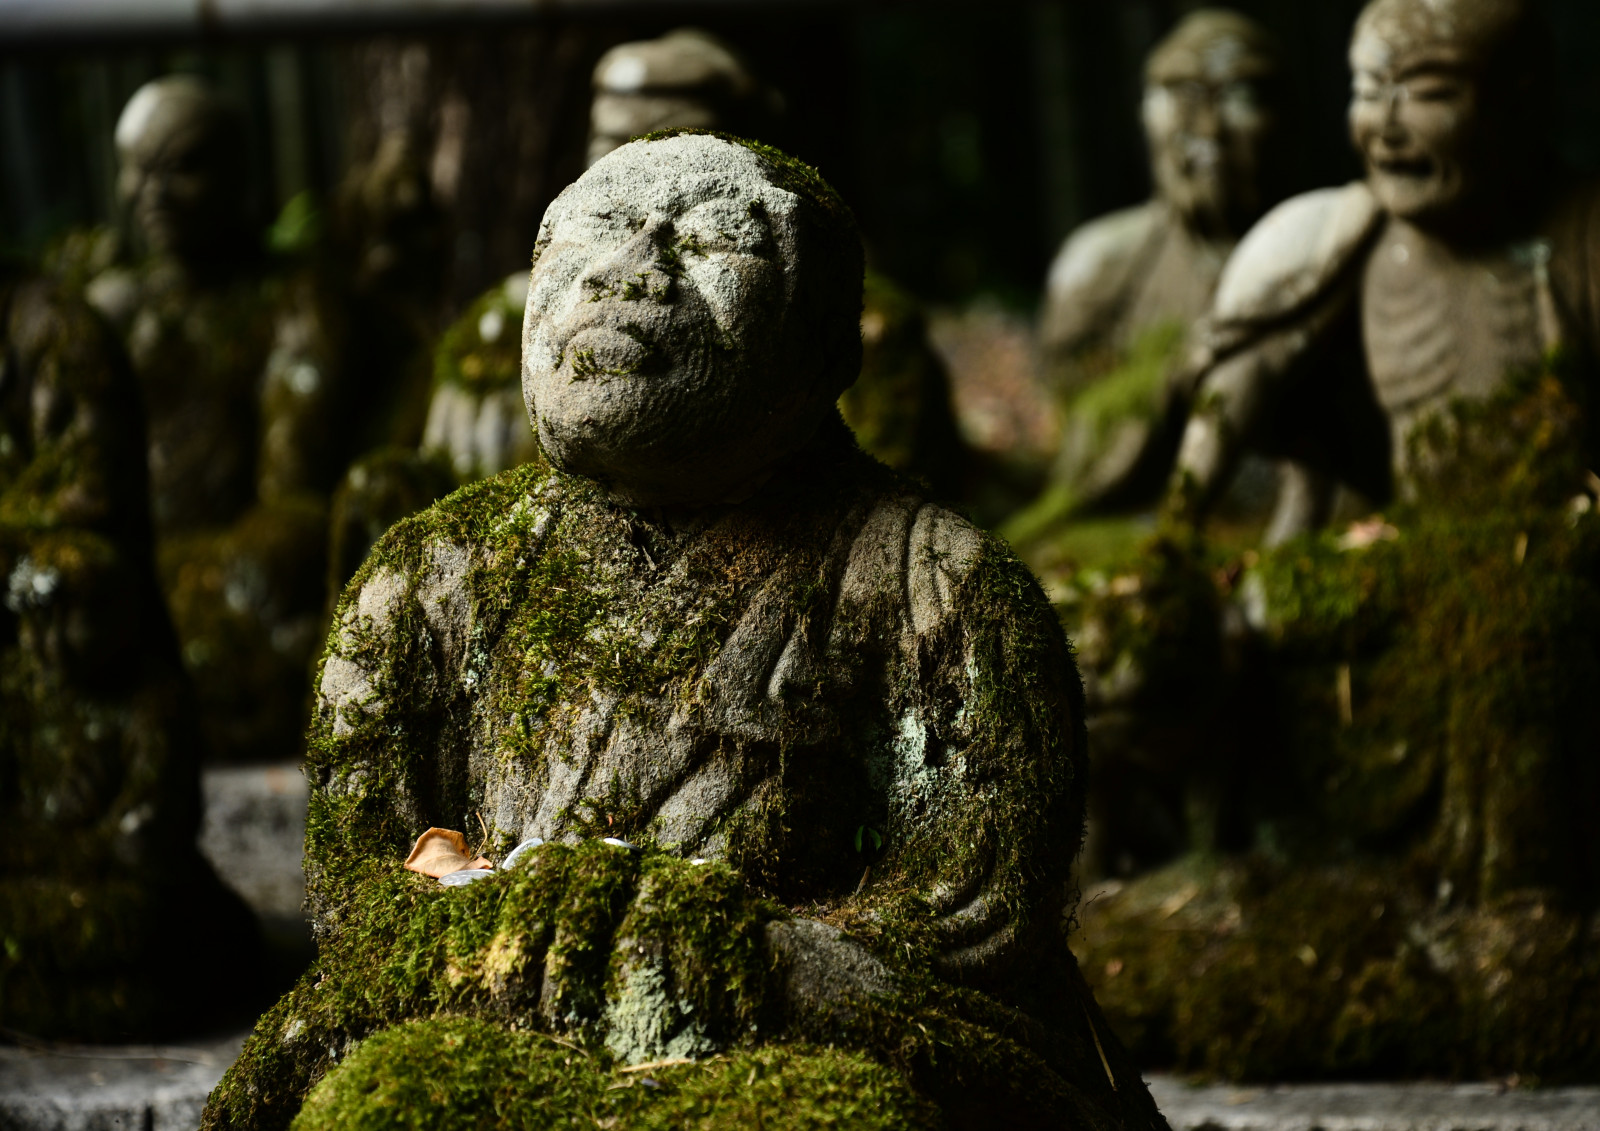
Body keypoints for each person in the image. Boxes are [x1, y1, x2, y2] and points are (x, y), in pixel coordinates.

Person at [202, 132, 1167, 1131]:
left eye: (706, 243)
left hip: (798, 1043)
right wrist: (519, 931)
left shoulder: (932, 581)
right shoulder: (429, 576)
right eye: (597, 237)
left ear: (824, 335)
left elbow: (976, 914)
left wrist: (738, 954)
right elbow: (363, 890)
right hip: (493, 1024)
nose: (628, 275)